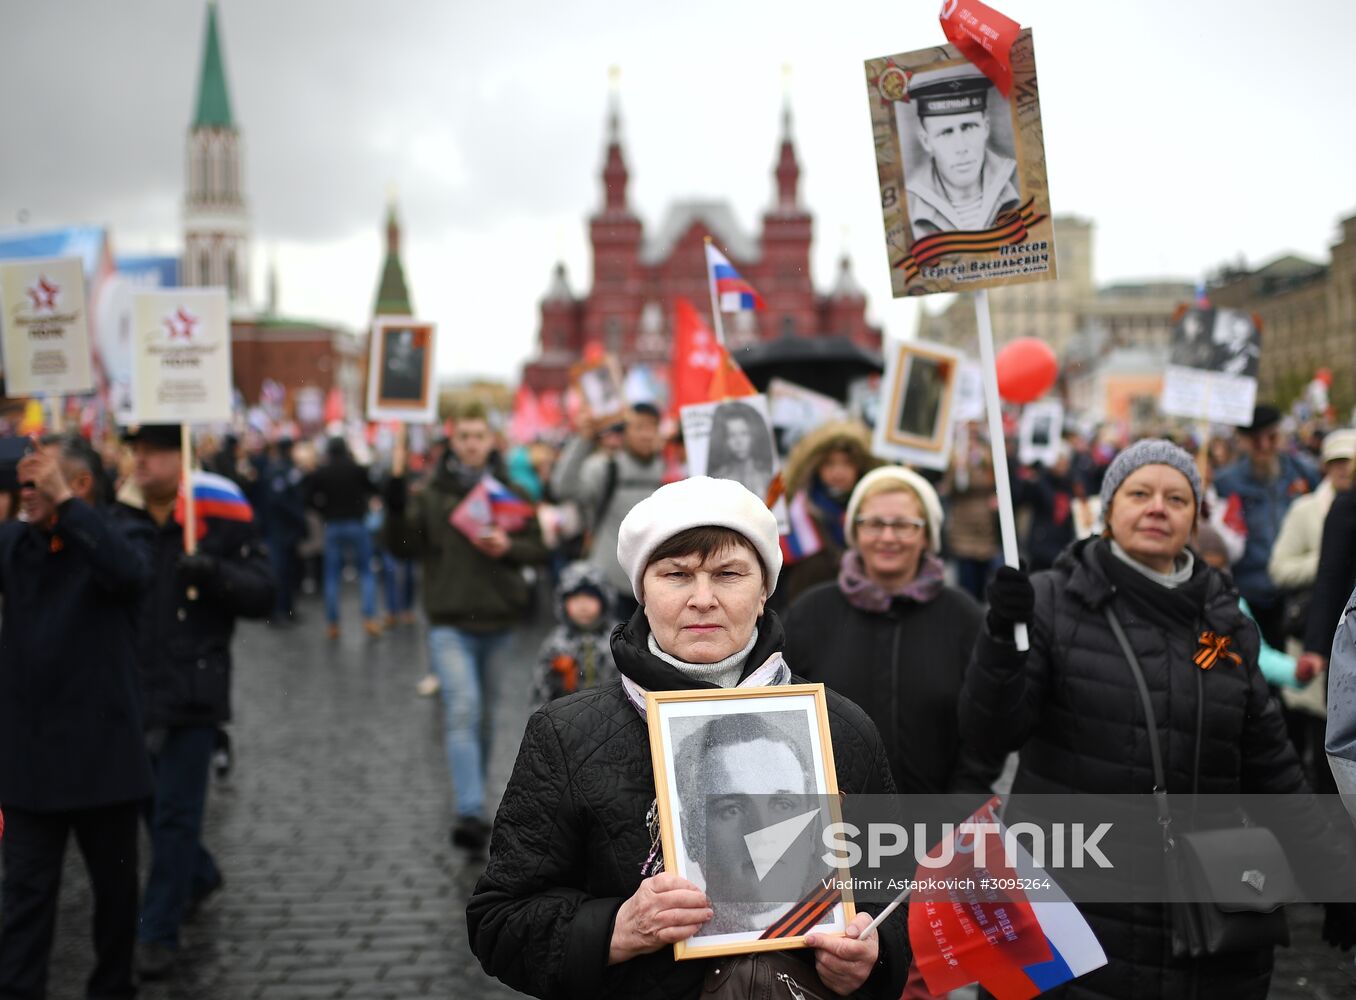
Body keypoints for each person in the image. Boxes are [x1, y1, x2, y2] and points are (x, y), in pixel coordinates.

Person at [468, 477, 909, 999]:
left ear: (764, 588)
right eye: (677, 575)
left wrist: (871, 959)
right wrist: (618, 929)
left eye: (728, 574)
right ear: (643, 591)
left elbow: (894, 898)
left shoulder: (842, 728)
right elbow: (500, 921)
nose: (703, 599)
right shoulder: (566, 734)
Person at [961, 439, 1356, 998]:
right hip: (1074, 904)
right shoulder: (1049, 602)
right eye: (1139, 493)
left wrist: (1334, 881)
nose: (1157, 507)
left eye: (1177, 497)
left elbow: (1274, 771)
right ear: (1108, 510)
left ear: (1195, 517)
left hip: (1201, 917)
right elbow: (991, 731)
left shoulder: (1225, 619)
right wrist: (1001, 639)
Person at [112, 424, 275, 980]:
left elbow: (263, 591)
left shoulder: (218, 511)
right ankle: (198, 875)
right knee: (149, 808)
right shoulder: (119, 517)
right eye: (136, 450)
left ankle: (157, 930)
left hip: (194, 688)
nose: (141, 461)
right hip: (132, 686)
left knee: (177, 815)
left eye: (154, 450)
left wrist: (214, 573)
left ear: (179, 456)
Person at [0, 437, 153, 999]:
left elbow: (129, 574)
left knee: (115, 899)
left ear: (78, 486)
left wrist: (67, 509)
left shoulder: (117, 536)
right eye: (23, 481)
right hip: (30, 766)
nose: (26, 492)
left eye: (39, 480)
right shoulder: (15, 544)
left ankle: (112, 990)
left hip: (103, 761)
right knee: (24, 901)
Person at [384, 403, 547, 852]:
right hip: (449, 621)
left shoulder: (509, 491)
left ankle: (474, 795)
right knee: (463, 709)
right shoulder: (432, 494)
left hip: (497, 619)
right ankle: (470, 810)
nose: (472, 444)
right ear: (451, 442)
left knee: (487, 718)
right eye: (464, 436)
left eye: (479, 435)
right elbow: (402, 547)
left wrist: (509, 546)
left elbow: (537, 549)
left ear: (491, 440)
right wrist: (396, 504)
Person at [784, 466, 1001, 796]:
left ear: (927, 535)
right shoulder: (810, 612)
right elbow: (783, 720)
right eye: (873, 524)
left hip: (940, 826)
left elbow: (987, 723)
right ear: (855, 532)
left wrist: (962, 802)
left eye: (903, 525)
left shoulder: (963, 616)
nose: (887, 537)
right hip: (836, 829)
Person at [672, 711, 818, 935]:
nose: (763, 831)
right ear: (690, 834)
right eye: (732, 810)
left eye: (783, 805)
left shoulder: (846, 919)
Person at [1268, 428, 1356, 791]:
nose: (1343, 469)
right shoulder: (1320, 509)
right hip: (1333, 637)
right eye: (1335, 461)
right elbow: (1325, 581)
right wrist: (1317, 648)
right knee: (1328, 736)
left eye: (1348, 460)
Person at [1214, 404, 1321, 647]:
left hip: (1296, 589)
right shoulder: (1226, 481)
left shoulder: (1303, 473)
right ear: (1243, 441)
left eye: (1271, 438)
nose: (1264, 446)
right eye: (1255, 440)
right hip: (1249, 591)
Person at [551, 402, 665, 622]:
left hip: (656, 588)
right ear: (625, 432)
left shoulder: (668, 471)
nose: (647, 434)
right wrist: (583, 440)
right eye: (639, 427)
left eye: (652, 427)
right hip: (610, 585)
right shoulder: (604, 467)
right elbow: (563, 488)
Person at [770, 420, 881, 612]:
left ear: (859, 467)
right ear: (817, 467)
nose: (838, 472)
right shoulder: (797, 511)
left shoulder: (875, 511)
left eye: (847, 463)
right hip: (804, 608)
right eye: (829, 464)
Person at [903, 66, 1020, 239]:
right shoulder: (908, 204)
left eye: (969, 127)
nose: (961, 147)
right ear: (926, 142)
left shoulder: (1020, 181)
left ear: (986, 128)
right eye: (946, 133)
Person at [305, 436, 380, 638]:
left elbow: (309, 499)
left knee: (331, 576)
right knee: (365, 572)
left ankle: (333, 624)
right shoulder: (357, 469)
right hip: (357, 523)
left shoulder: (322, 472)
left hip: (333, 525)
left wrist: (324, 511)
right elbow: (373, 489)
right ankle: (369, 618)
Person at [531, 560, 618, 708]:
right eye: (575, 598)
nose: (583, 606)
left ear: (604, 600)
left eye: (590, 598)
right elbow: (541, 688)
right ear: (563, 603)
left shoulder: (617, 639)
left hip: (612, 716)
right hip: (567, 717)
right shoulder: (557, 642)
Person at [706, 399, 775, 502]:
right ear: (725, 440)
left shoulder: (767, 477)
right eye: (732, 435)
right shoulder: (717, 481)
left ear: (752, 436)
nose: (739, 441)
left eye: (744, 433)